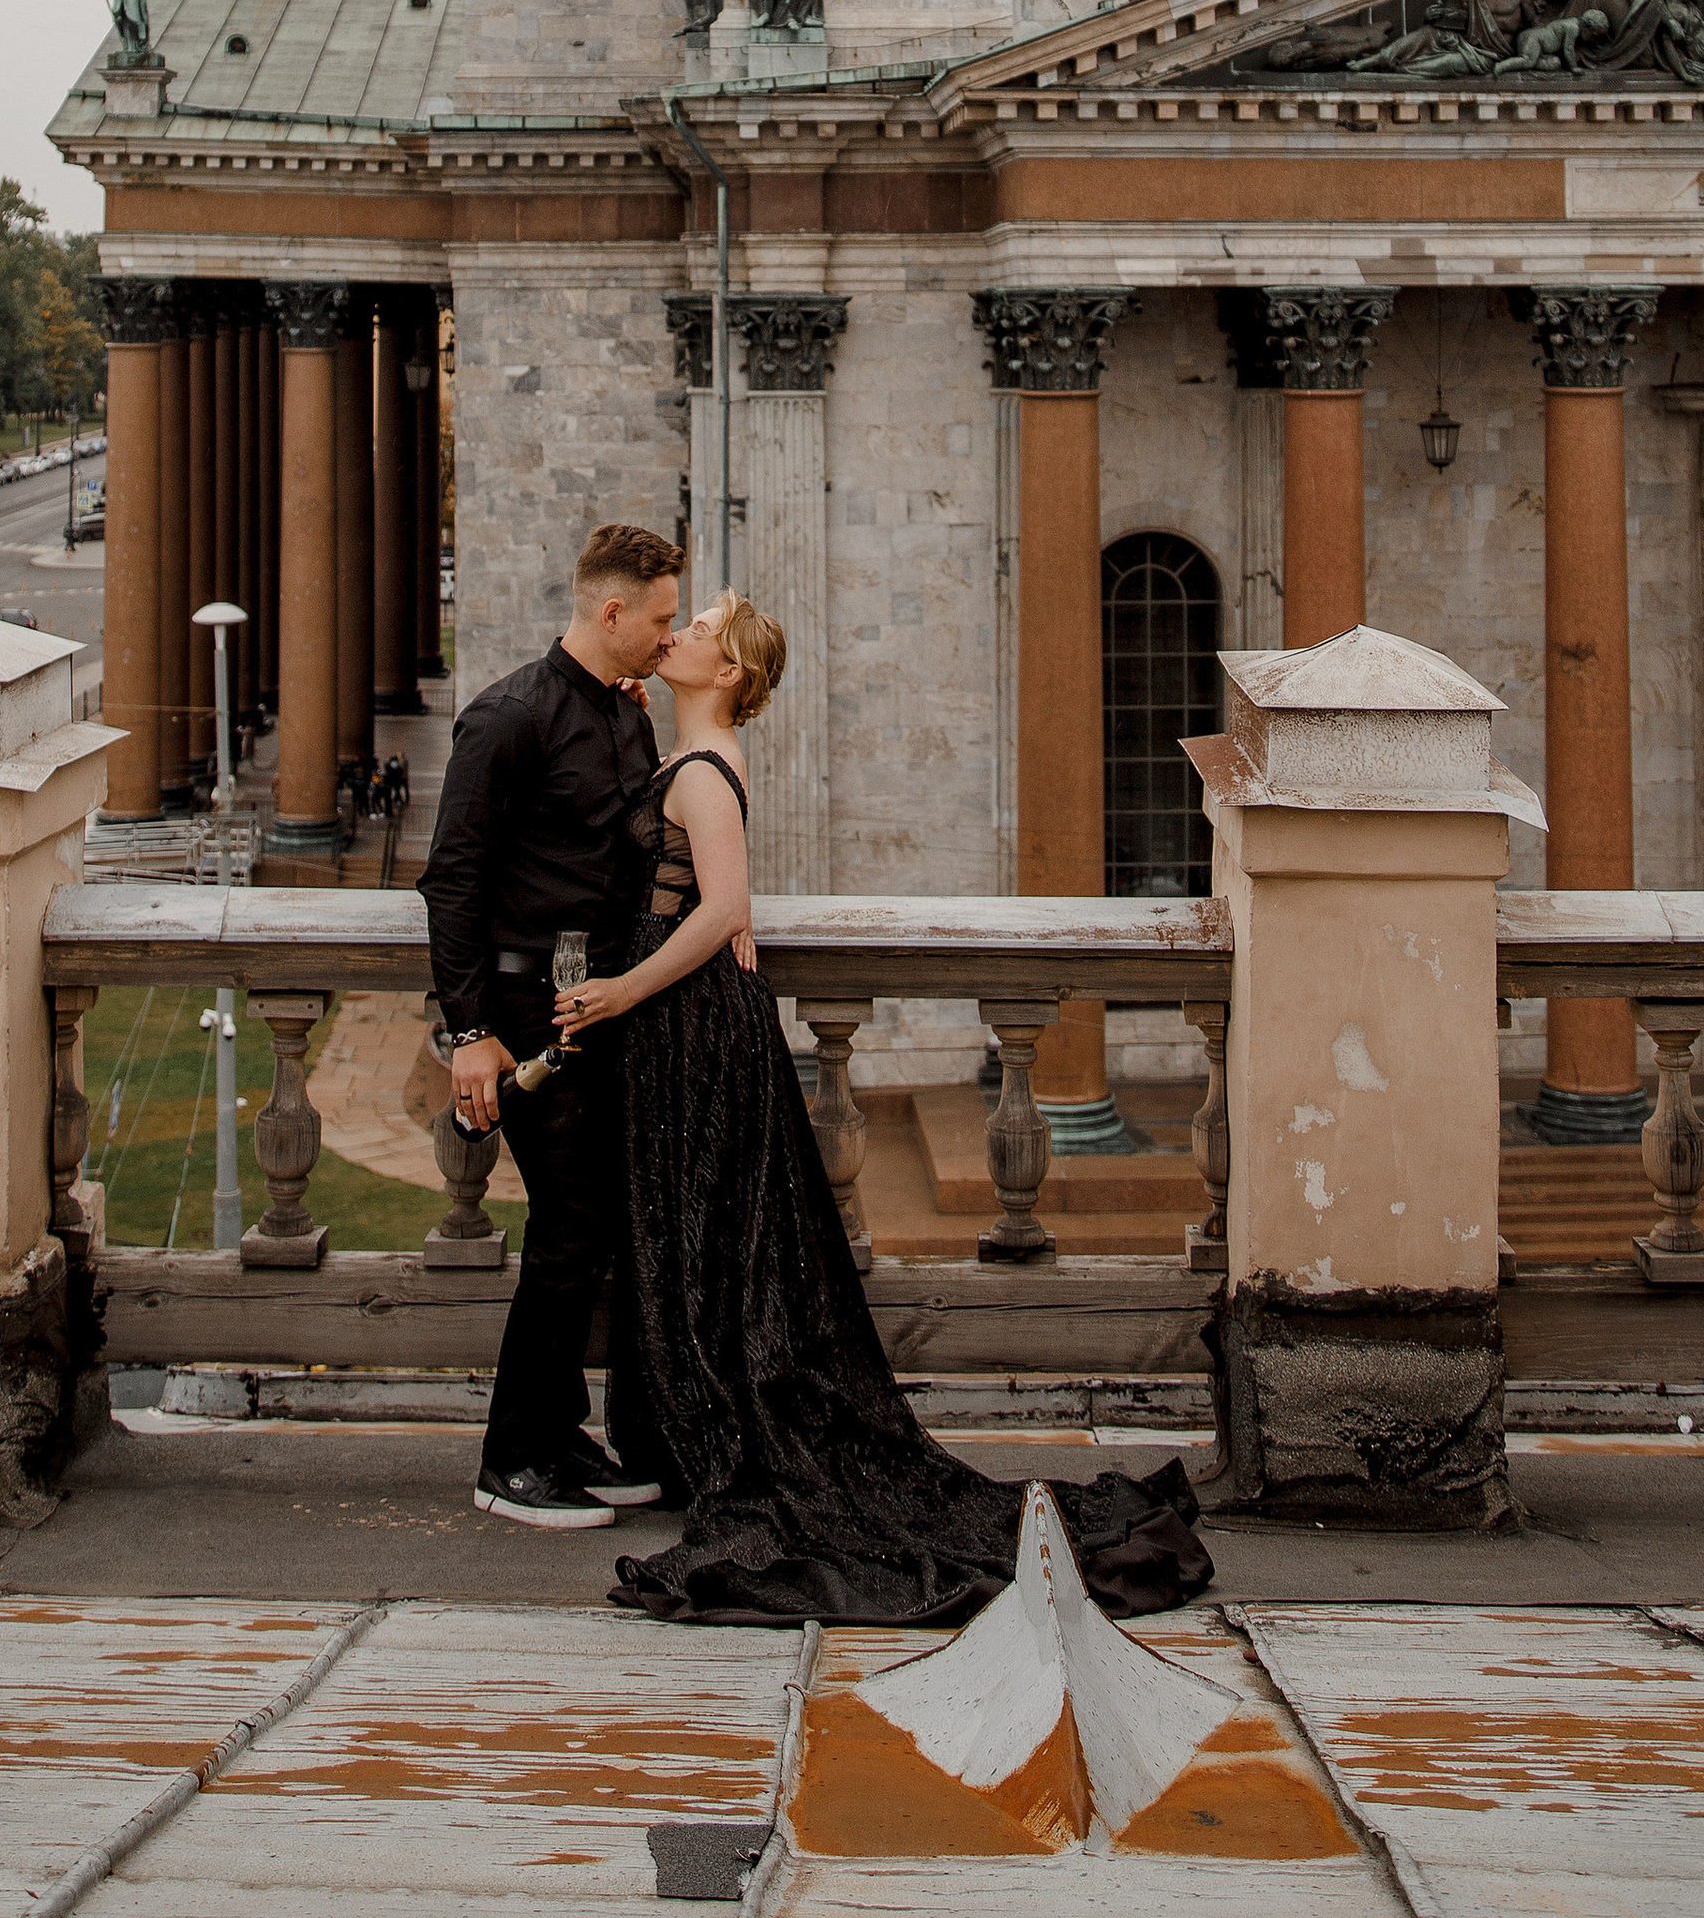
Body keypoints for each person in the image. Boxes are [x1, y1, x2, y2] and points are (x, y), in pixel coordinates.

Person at [559, 589, 1210, 1628]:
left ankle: (711, 1435)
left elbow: (726, 908)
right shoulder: (694, 758)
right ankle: (679, 1430)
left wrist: (619, 991)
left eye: (696, 631)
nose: (675, 635)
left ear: (725, 673)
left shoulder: (705, 773)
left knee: (704, 1229)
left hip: (686, 1022)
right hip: (681, 1024)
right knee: (696, 1230)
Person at [420, 519, 688, 1530]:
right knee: (568, 1227)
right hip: (528, 1011)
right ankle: (511, 1459)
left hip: (603, 1003)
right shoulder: (506, 717)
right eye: (659, 619)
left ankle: (562, 1434)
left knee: (597, 1228)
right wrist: (469, 1033)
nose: (669, 637)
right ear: (610, 610)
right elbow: (452, 880)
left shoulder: (629, 712)